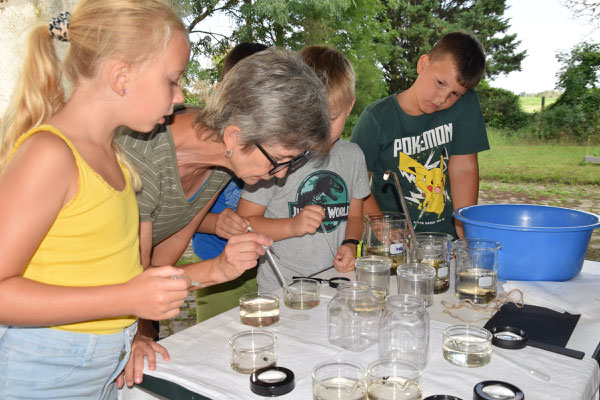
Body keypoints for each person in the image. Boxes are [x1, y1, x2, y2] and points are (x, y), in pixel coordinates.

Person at [0, 1, 195, 398]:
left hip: (102, 364)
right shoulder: (50, 155)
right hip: (44, 368)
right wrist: (127, 298)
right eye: (172, 80)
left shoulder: (115, 155)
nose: (179, 97)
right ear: (121, 76)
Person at [116, 47, 330, 387]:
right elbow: (135, 282)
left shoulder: (220, 164)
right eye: (279, 159)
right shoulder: (143, 156)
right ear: (234, 136)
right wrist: (139, 335)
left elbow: (160, 263)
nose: (281, 176)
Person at [237, 45, 370, 292]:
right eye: (313, 117)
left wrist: (351, 244)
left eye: (330, 119)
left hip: (334, 285)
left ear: (350, 107)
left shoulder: (353, 157)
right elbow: (243, 223)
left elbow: (354, 216)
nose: (321, 129)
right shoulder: (274, 157)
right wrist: (292, 226)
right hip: (282, 289)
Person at [350, 31, 489, 239]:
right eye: (441, 83)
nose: (443, 98)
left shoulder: (465, 104)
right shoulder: (376, 118)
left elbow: (464, 168)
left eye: (455, 93)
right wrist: (380, 225)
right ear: (423, 64)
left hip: (443, 240)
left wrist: (464, 227)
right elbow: (356, 182)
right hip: (392, 243)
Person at [191, 42, 269, 323]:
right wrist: (216, 223)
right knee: (215, 340)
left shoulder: (269, 143)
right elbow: (182, 217)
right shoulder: (208, 149)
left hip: (261, 266)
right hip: (214, 265)